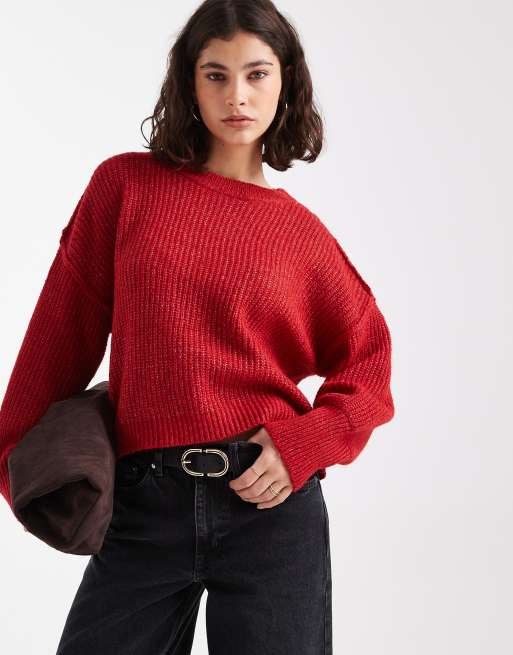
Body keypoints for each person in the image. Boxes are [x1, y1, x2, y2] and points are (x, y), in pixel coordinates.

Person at [0, 1, 395, 653]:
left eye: (256, 74)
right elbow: (60, 335)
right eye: (215, 74)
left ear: (286, 82)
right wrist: (16, 461)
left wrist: (303, 443)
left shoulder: (302, 237)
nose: (236, 95)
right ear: (189, 83)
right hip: (142, 504)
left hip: (269, 508)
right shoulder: (125, 187)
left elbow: (369, 364)